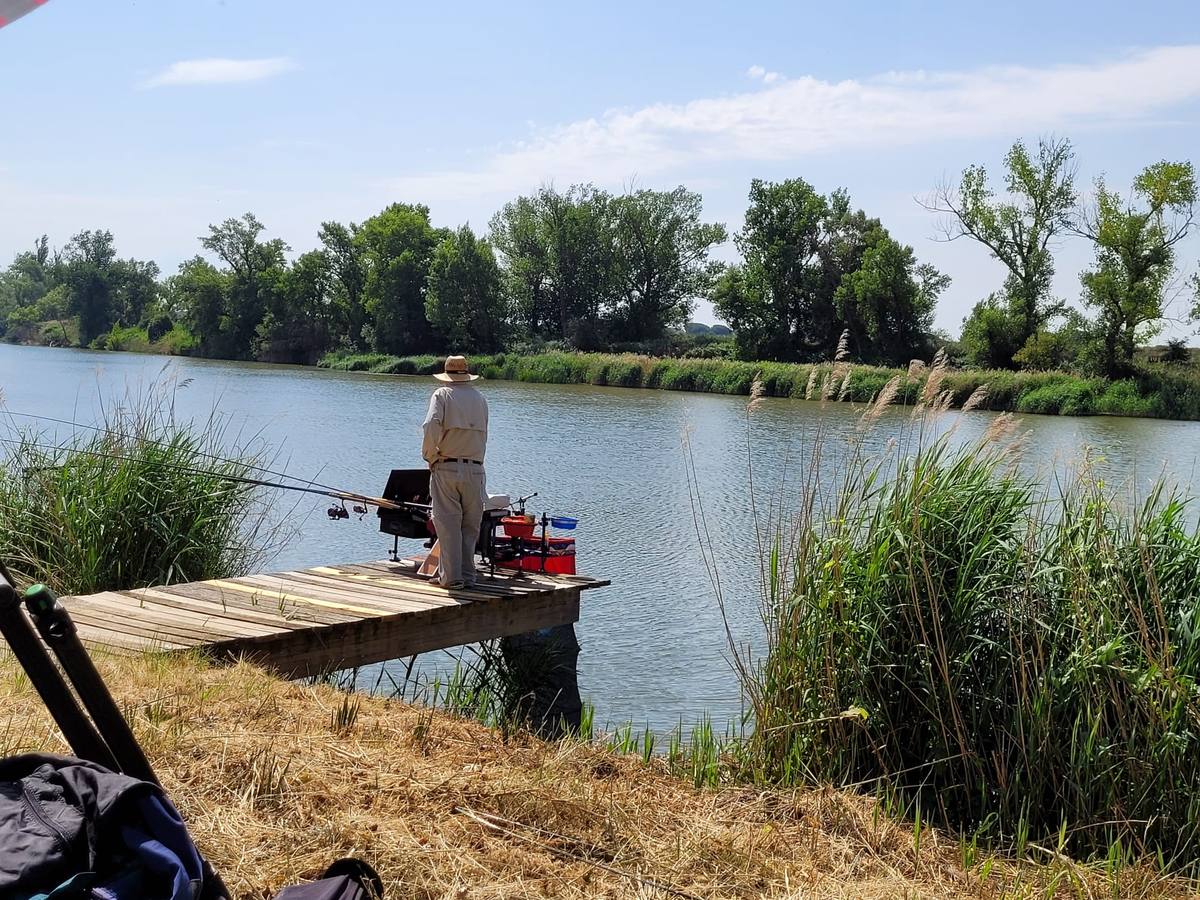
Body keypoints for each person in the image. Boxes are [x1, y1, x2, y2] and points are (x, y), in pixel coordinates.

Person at [421, 355, 488, 589]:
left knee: (448, 525)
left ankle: (451, 578)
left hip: (446, 466)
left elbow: (430, 425)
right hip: (476, 469)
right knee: (470, 527)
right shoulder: (481, 399)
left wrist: (430, 456)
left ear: (447, 375)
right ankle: (468, 576)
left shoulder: (442, 394)